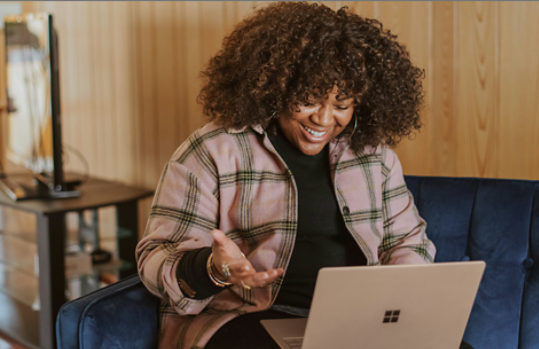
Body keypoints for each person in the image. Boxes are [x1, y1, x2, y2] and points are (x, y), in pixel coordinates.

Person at [137, 2, 473, 348]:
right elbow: (155, 257)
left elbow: (407, 242)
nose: (324, 120)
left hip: (355, 321)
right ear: (276, 87)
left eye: (341, 105)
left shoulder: (375, 157)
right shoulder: (213, 150)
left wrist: (397, 302)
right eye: (309, 100)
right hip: (247, 317)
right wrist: (211, 268)